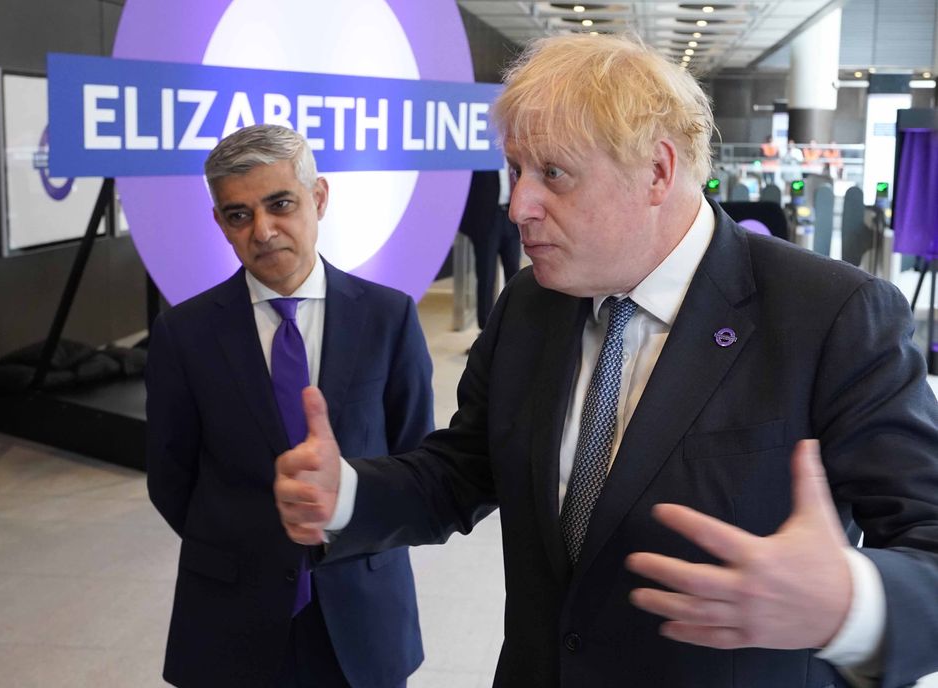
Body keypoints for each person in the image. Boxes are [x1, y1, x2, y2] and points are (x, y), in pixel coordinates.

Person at [275, 35, 938, 688]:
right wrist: (349, 495)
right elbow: (464, 469)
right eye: (515, 171)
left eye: (553, 174)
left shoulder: (831, 315)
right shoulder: (532, 304)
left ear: (657, 171)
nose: (518, 206)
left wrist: (852, 604)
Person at [145, 124, 434, 688]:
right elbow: (170, 479)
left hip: (362, 610)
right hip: (231, 613)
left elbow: (416, 463)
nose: (263, 230)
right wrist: (245, 547)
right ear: (220, 224)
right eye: (239, 215)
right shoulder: (184, 334)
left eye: (281, 204)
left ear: (318, 198)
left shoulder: (388, 318)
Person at [459, 169, 523, 331]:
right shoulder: (483, 157)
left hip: (511, 219)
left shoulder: (514, 159)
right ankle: (485, 333)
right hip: (487, 222)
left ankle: (515, 329)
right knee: (486, 277)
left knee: (516, 277)